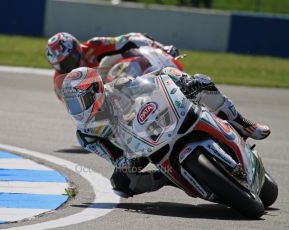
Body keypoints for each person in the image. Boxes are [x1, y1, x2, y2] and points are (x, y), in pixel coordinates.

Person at [61, 66, 271, 198]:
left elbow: (153, 80)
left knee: (198, 83)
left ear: (96, 92)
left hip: (156, 123)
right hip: (134, 151)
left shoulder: (118, 88)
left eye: (81, 102)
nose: (77, 109)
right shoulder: (86, 134)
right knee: (122, 184)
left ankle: (243, 124)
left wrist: (180, 81)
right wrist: (124, 162)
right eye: (72, 104)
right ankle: (169, 177)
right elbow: (113, 157)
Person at [45, 32, 180, 100]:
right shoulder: (60, 85)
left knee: (110, 62)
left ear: (77, 50)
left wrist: (161, 48)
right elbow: (77, 113)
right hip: (105, 102)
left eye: (68, 62)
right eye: (61, 66)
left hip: (127, 79)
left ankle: (166, 81)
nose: (68, 68)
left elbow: (130, 39)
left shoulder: (94, 46)